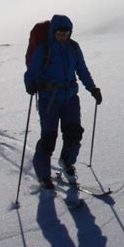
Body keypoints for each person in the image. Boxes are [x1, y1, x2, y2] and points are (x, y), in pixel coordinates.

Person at [24, 14, 102, 189]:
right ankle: (44, 176)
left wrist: (93, 88)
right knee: (49, 138)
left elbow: (82, 70)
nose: (63, 37)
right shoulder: (44, 50)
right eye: (59, 33)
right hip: (49, 100)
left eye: (66, 33)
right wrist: (29, 84)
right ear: (53, 32)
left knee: (74, 134)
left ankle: (67, 163)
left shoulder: (73, 48)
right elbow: (31, 73)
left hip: (70, 99)